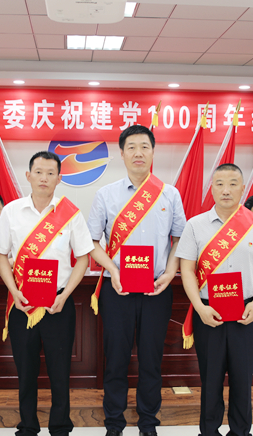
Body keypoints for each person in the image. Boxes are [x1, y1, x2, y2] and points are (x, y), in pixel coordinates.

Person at [87, 125, 186, 436]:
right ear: (122, 153)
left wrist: (170, 272)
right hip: (117, 289)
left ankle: (148, 421)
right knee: (116, 358)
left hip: (157, 288)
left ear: (153, 152)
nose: (138, 153)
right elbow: (91, 242)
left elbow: (180, 239)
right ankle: (114, 421)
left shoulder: (170, 194)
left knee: (151, 359)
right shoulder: (106, 194)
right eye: (131, 147)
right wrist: (113, 270)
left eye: (144, 146)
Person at [0, 151, 94, 436]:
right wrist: (14, 292)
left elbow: (84, 258)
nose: (44, 178)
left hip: (58, 304)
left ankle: (60, 426)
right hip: (22, 303)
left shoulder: (70, 213)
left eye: (51, 173)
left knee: (59, 371)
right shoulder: (12, 211)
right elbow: (1, 255)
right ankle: (27, 426)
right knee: (25, 371)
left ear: (59, 178)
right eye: (38, 172)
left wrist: (65, 296)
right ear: (28, 176)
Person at [176, 163, 253, 436]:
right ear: (212, 188)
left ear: (243, 188)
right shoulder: (195, 225)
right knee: (210, 378)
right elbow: (187, 269)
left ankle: (240, 431)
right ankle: (209, 431)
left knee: (242, 378)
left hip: (246, 311)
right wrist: (200, 307)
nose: (226, 190)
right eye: (219, 184)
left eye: (233, 184)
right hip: (208, 311)